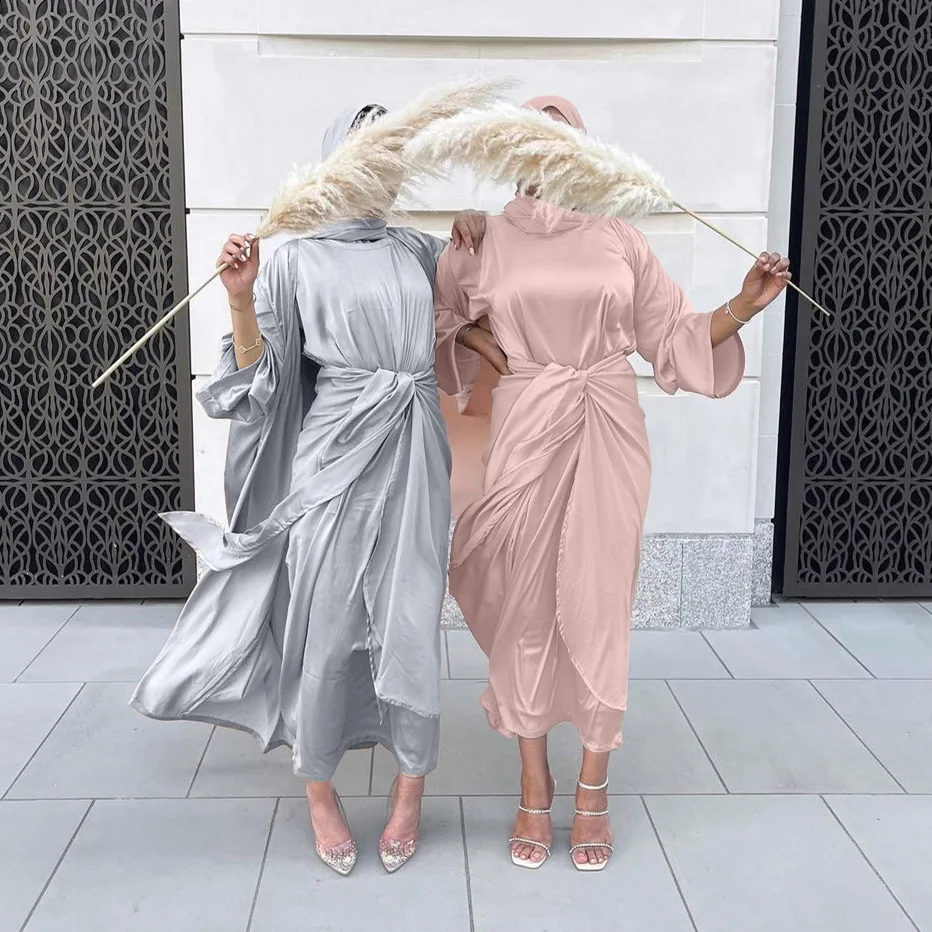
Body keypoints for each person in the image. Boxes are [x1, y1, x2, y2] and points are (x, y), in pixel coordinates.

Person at [433, 95, 791, 871]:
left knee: (599, 608)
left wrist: (744, 304)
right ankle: (534, 782)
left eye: (562, 138)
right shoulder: (481, 237)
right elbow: (441, 317)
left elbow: (673, 335)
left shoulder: (620, 238)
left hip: (607, 425)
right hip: (528, 427)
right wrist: (485, 347)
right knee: (527, 608)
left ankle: (592, 789)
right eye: (533, 138)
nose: (548, 151)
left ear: (585, 150)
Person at [131, 103, 486, 877]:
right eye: (369, 154)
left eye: (393, 156)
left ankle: (410, 788)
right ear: (337, 163)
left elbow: (483, 302)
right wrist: (239, 295)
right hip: (332, 460)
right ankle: (319, 787)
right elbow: (258, 379)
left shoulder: (417, 249)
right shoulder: (293, 260)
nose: (384, 170)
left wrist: (477, 233)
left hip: (415, 450)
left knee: (411, 618)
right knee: (325, 621)